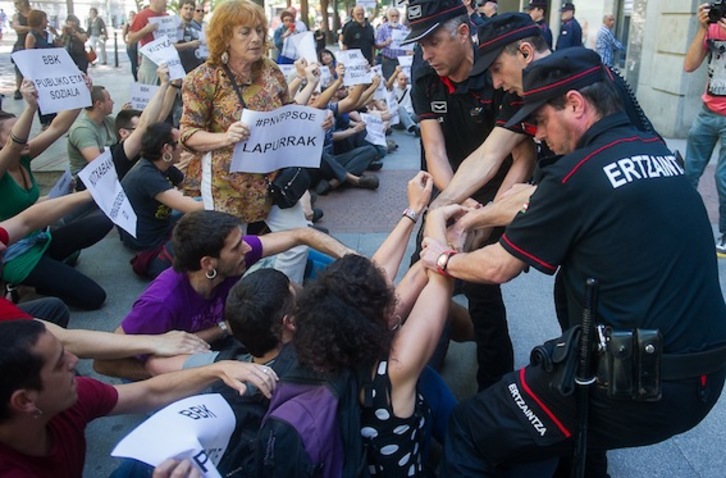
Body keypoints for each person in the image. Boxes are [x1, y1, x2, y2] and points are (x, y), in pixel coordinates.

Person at [422, 47, 726, 477]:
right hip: (706, 378)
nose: (538, 136)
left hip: (632, 386)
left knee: (470, 427)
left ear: (576, 105)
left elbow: (497, 267)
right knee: (577, 437)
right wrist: (478, 215)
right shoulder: (657, 152)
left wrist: (444, 257)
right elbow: (534, 205)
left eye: (540, 121)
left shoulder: (575, 174)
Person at [283, 172, 457, 476]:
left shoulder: (328, 343)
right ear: (384, 317)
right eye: (390, 298)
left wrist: (414, 211)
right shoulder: (396, 370)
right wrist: (437, 218)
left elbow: (374, 278)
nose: (395, 291)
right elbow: (440, 283)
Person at [401, 0, 527, 391]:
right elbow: (433, 148)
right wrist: (447, 204)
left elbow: (520, 155)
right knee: (421, 276)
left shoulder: (499, 70)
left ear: (461, 32)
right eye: (420, 45)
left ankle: (495, 386)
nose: (427, 54)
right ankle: (417, 374)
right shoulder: (423, 73)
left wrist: (491, 213)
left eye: (433, 42)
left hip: (496, 190)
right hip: (449, 185)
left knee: (482, 290)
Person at [94, 209, 355, 381]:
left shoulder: (231, 258)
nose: (247, 248)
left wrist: (356, 260)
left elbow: (302, 234)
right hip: (188, 369)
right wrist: (169, 379)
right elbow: (103, 364)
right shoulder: (160, 302)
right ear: (208, 263)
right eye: (236, 246)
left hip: (227, 340)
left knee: (296, 271)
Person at [0, 319, 278, 477]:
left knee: (154, 460)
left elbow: (149, 392)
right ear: (25, 401)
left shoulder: (65, 398)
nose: (74, 361)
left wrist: (216, 369)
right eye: (59, 363)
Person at [179, 0, 320, 284]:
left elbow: (287, 113)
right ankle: (233, 313)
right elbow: (187, 134)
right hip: (227, 185)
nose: (255, 38)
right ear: (225, 37)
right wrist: (224, 137)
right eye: (245, 32)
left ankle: (279, 301)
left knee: (299, 240)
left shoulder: (271, 71)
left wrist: (314, 121)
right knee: (230, 258)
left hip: (272, 180)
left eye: (258, 30)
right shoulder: (203, 79)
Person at [0, 81, 109, 310]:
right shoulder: (5, 163)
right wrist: (30, 108)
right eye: (16, 131)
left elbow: (57, 127)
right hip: (16, 254)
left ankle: (46, 270)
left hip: (40, 237)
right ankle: (23, 287)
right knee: (93, 297)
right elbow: (13, 146)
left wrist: (81, 92)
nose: (26, 138)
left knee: (102, 222)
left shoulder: (24, 156)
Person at [121, 122, 204, 277]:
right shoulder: (147, 176)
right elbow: (196, 207)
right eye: (180, 143)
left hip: (162, 227)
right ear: (166, 149)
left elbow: (193, 189)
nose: (184, 147)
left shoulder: (163, 166)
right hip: (150, 244)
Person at [684, 2, 726, 256]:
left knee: (723, 178)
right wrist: (702, 29)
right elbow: (689, 66)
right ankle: (681, 224)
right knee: (689, 173)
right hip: (706, 112)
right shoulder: (711, 28)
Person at [24, 9, 58, 129]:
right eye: (45, 19)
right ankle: (45, 122)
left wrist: (56, 34)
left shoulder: (47, 34)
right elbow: (29, 55)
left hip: (50, 68)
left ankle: (54, 119)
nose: (47, 21)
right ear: (39, 20)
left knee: (51, 93)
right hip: (39, 70)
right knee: (42, 95)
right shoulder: (31, 36)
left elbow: (57, 46)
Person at [127, 0, 169, 85]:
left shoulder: (167, 16)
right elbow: (130, 39)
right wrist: (145, 30)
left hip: (166, 59)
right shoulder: (141, 16)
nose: (166, 2)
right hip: (150, 60)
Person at [375, 7, 409, 80]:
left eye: (397, 16)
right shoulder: (382, 28)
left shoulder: (403, 29)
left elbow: (408, 44)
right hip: (388, 60)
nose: (395, 18)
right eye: (392, 16)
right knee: (388, 81)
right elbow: (377, 45)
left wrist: (408, 50)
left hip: (400, 60)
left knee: (401, 81)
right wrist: (386, 43)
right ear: (388, 17)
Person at [11, 0, 32, 100]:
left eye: (17, 3)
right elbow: (16, 27)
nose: (16, 5)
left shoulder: (33, 13)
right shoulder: (17, 16)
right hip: (21, 44)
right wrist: (31, 28)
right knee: (19, 70)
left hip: (34, 43)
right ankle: (18, 89)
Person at [176, 0, 204, 73]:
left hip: (197, 68)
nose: (188, 11)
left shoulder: (197, 27)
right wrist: (190, 45)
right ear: (180, 9)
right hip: (182, 69)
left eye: (191, 9)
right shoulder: (175, 26)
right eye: (186, 8)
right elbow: (171, 47)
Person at [123, 11, 139, 81]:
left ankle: (138, 77)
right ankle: (135, 78)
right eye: (130, 15)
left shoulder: (138, 23)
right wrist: (125, 41)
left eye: (133, 15)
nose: (132, 16)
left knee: (138, 62)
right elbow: (123, 34)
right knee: (133, 62)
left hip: (137, 45)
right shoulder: (127, 25)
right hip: (131, 45)